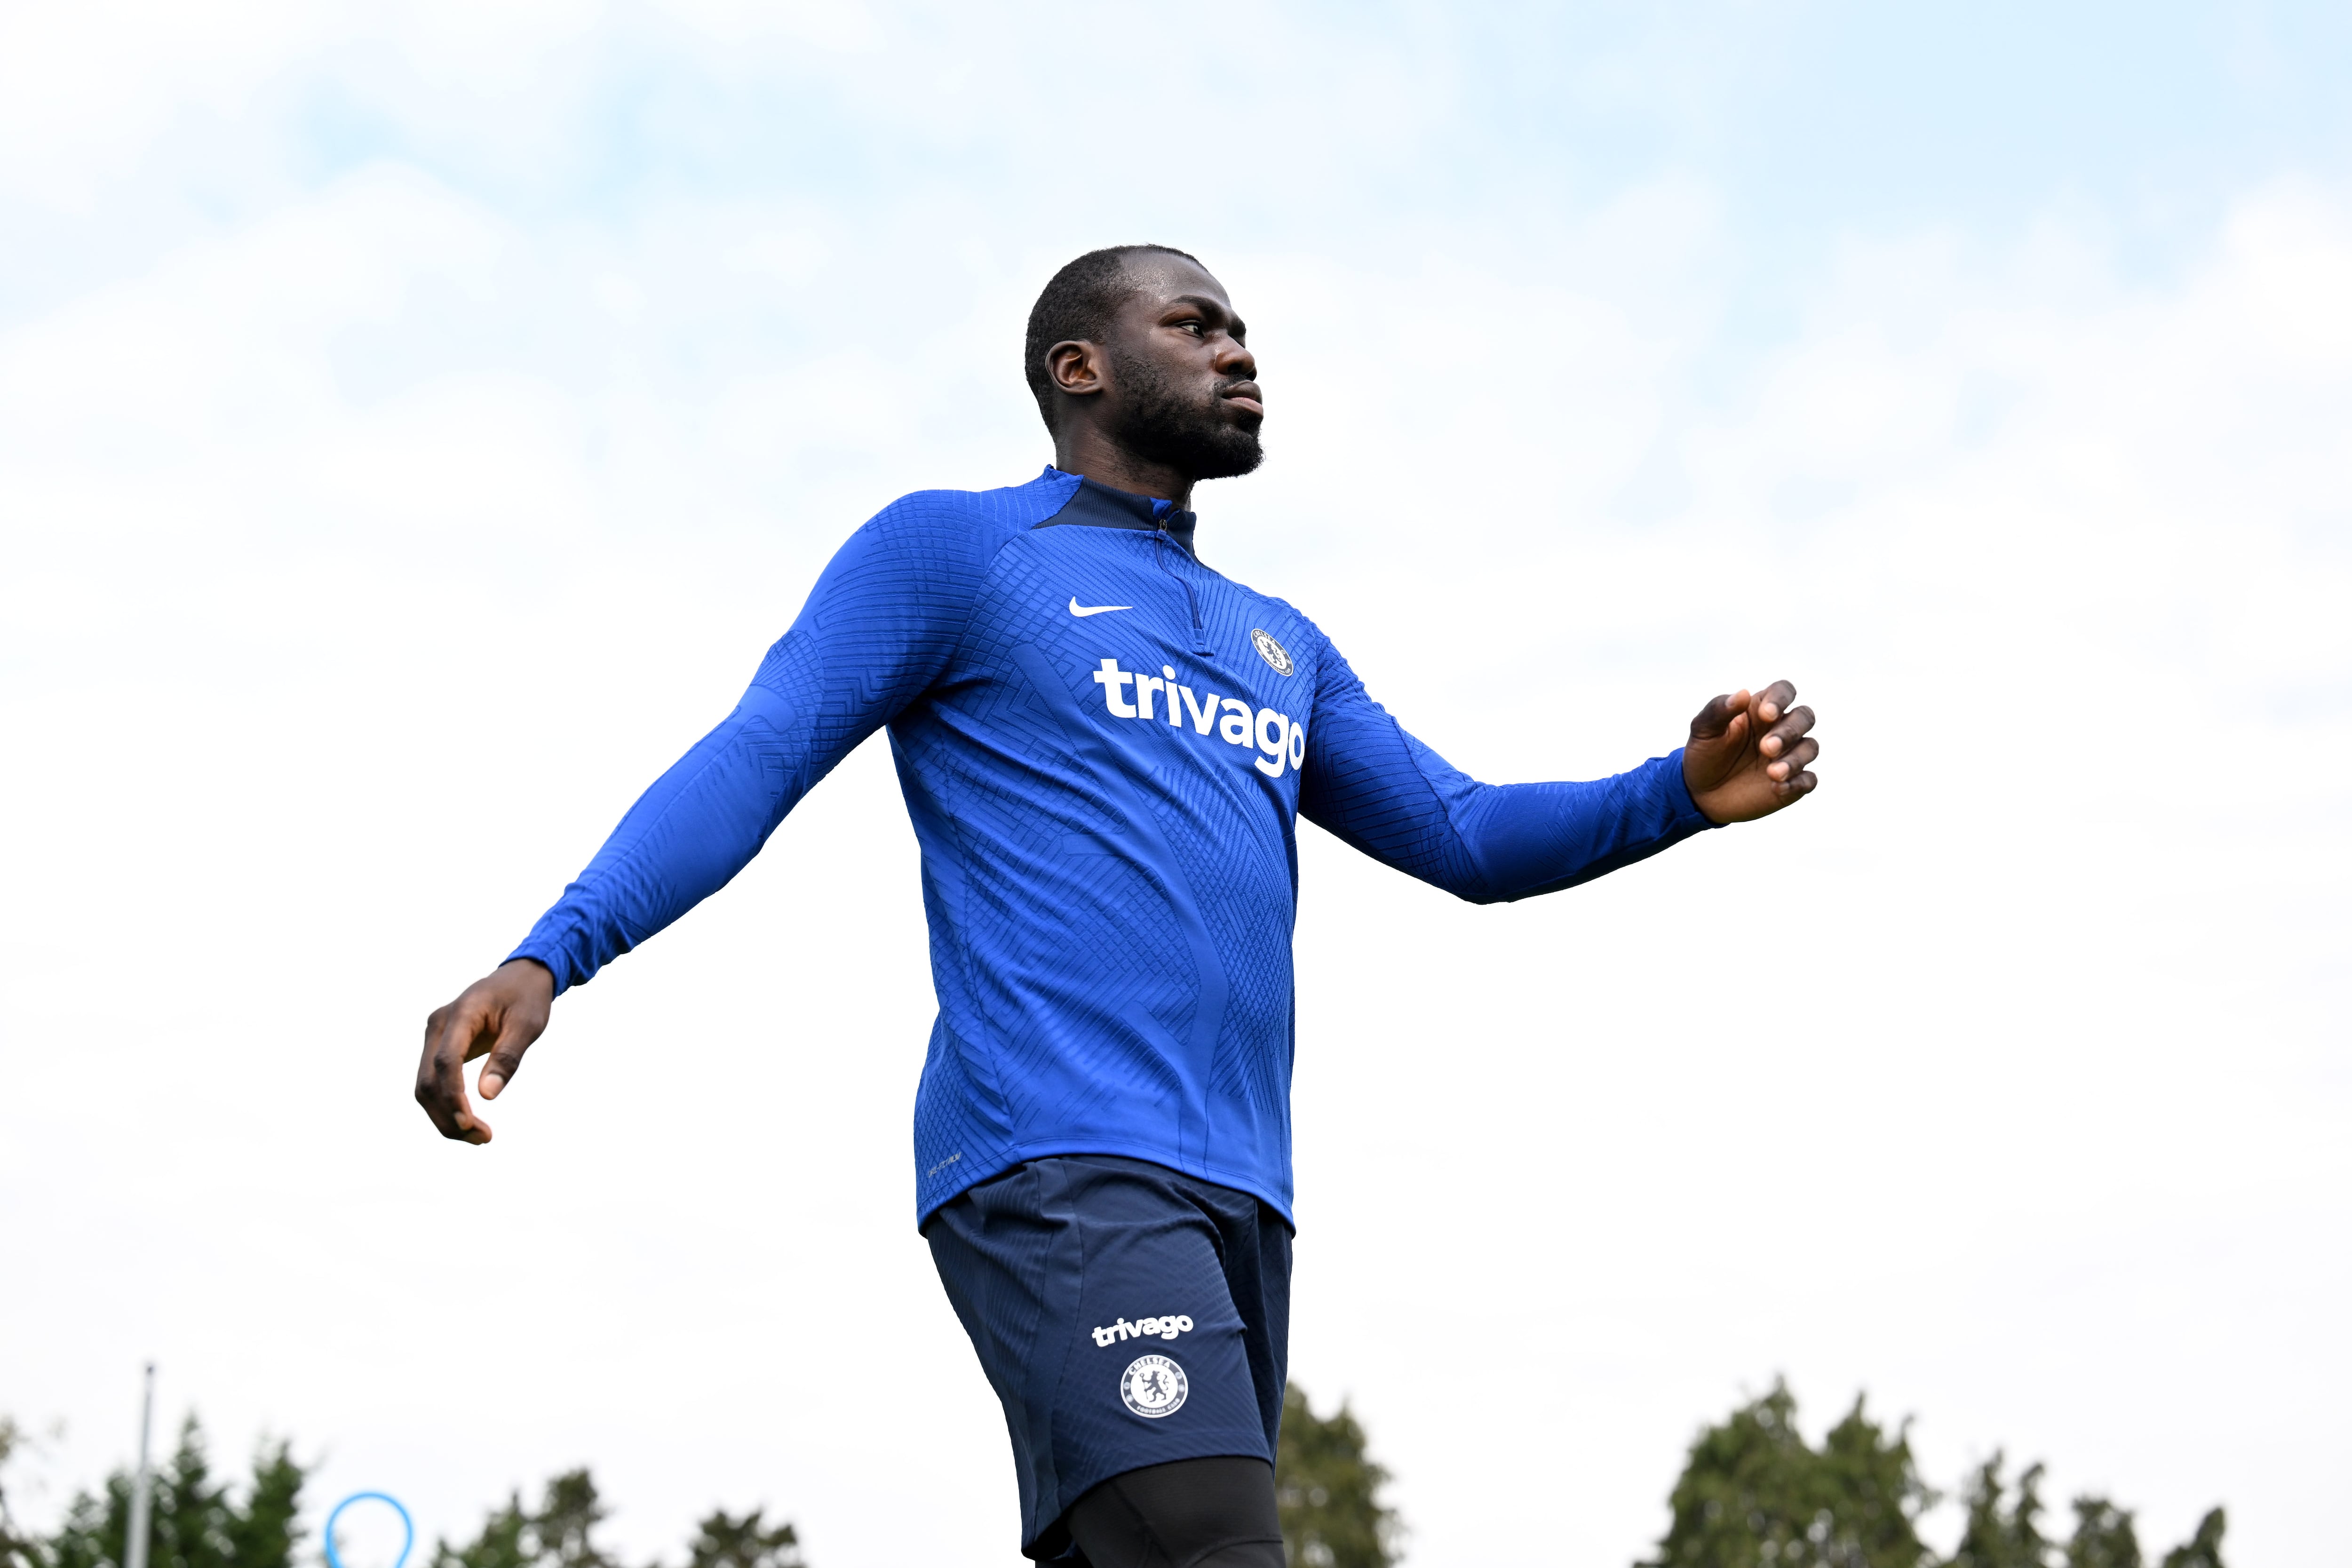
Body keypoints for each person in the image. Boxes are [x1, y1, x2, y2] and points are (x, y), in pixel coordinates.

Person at [414, 244, 1821, 1567]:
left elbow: (1463, 834)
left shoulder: (1282, 641)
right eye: (1195, 326)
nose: (1238, 351)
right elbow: (757, 755)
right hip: (1059, 1163)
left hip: (1244, 1200)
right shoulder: (956, 555)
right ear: (1079, 368)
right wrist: (557, 951)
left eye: (1243, 331)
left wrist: (1675, 794)